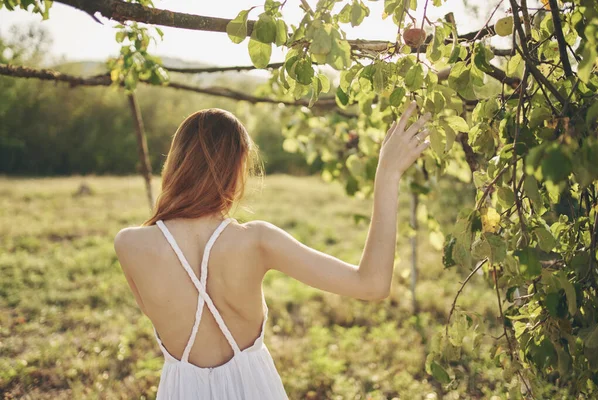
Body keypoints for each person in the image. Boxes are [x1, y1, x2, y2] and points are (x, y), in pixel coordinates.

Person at [114, 103, 431, 399]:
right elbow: (372, 284)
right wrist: (387, 175)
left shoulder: (129, 245)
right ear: (236, 168)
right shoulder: (256, 241)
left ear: (176, 163)